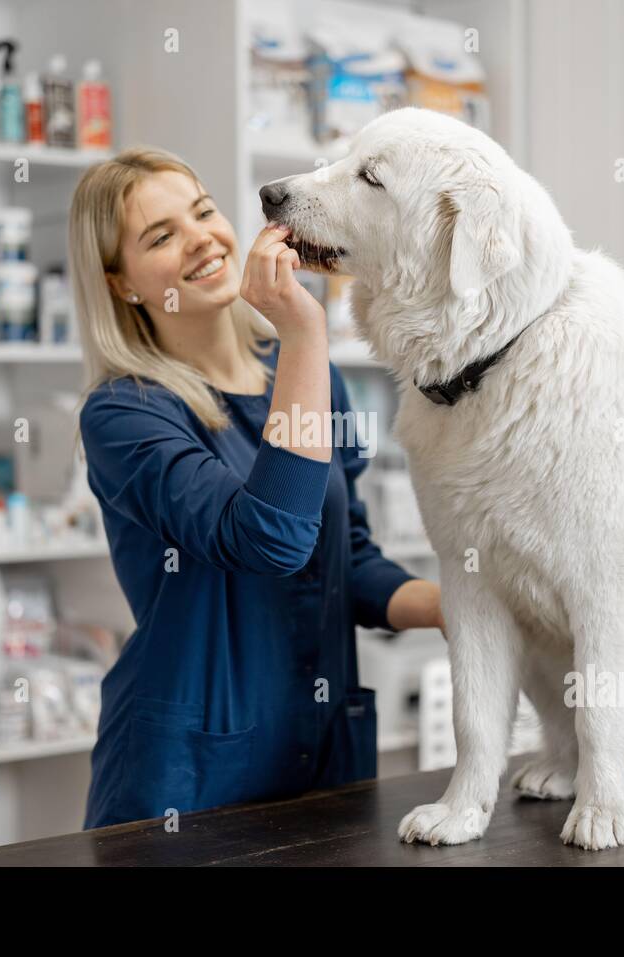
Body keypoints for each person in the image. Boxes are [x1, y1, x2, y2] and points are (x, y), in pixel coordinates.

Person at [68, 147, 444, 829]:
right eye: (161, 236)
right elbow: (270, 536)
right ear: (122, 284)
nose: (201, 238)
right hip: (188, 780)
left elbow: (343, 557)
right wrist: (305, 330)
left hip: (318, 751)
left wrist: (456, 607)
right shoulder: (124, 414)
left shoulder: (301, 375)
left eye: (204, 211)